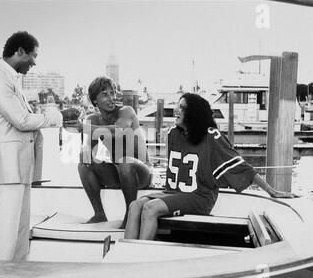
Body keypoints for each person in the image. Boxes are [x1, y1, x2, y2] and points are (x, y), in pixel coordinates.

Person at [124, 93, 295, 240]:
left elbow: (241, 166)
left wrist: (271, 190)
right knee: (134, 206)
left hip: (200, 196)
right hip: (174, 193)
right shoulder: (173, 134)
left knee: (150, 208)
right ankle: (124, 259)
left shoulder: (211, 137)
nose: (176, 110)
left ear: (193, 114)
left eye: (182, 108)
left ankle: (139, 260)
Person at [0, 31, 77, 261]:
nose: (34, 62)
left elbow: (23, 118)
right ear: (19, 52)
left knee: (21, 229)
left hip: (18, 167)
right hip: (7, 167)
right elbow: (22, 120)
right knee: (7, 229)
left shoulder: (10, 79)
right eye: (32, 56)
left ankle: (17, 275)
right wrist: (57, 116)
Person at [68, 76, 152, 227]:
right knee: (84, 165)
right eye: (105, 95)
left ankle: (130, 216)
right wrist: (85, 152)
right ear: (94, 101)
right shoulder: (93, 119)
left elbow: (119, 131)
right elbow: (89, 150)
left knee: (125, 162)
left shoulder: (126, 111)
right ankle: (99, 214)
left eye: (112, 93)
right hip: (119, 174)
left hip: (141, 173)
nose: (111, 98)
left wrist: (85, 128)